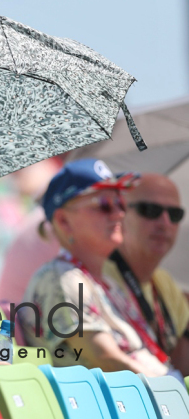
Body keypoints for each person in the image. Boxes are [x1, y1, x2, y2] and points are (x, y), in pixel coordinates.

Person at [19, 158, 169, 376]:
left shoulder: (107, 281)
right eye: (104, 205)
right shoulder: (61, 278)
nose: (119, 213)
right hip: (125, 403)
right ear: (63, 222)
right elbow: (106, 360)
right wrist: (172, 391)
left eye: (120, 203)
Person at [103, 173, 189, 376]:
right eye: (150, 210)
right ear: (119, 212)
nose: (164, 222)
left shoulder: (163, 282)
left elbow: (183, 369)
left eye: (175, 214)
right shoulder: (97, 275)